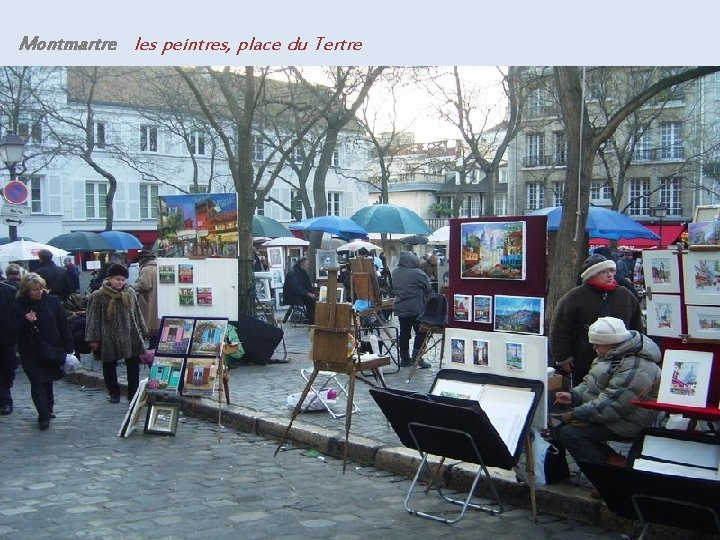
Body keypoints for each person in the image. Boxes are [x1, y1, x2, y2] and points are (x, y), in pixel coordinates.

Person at [554, 316, 661, 466]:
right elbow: (591, 383)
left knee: (570, 434)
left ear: (611, 342)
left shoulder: (636, 365)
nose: (594, 348)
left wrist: (577, 414)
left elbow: (614, 404)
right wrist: (574, 395)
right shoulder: (612, 354)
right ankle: (612, 461)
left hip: (631, 420)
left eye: (597, 344)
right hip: (614, 414)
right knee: (560, 430)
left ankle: (610, 471)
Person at [550, 253, 643, 385]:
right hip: (584, 363)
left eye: (611, 270)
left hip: (623, 363)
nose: (610, 274)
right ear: (591, 275)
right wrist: (563, 357)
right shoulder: (573, 297)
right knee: (583, 397)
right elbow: (559, 329)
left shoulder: (625, 295)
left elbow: (637, 327)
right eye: (603, 272)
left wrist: (638, 352)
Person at [11, 273, 73, 429]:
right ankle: (43, 415)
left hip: (51, 347)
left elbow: (63, 325)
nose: (38, 292)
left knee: (48, 379)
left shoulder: (52, 301)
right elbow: (11, 330)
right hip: (30, 350)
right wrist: (25, 321)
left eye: (40, 289)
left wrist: (69, 348)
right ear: (26, 290)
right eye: (34, 290)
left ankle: (49, 408)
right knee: (37, 380)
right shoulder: (18, 304)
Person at [85, 263, 147, 403]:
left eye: (123, 280)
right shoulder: (98, 296)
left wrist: (142, 329)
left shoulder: (129, 292)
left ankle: (133, 393)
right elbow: (93, 318)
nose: (120, 282)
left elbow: (136, 312)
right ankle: (114, 392)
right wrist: (93, 338)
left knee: (132, 365)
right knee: (109, 364)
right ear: (109, 279)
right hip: (108, 335)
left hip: (129, 333)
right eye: (117, 279)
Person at [391, 251, 432, 368]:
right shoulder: (418, 273)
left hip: (400, 307)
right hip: (416, 308)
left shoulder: (395, 272)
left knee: (404, 333)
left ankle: (404, 359)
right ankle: (417, 358)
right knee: (421, 332)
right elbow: (428, 288)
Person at [132, 249, 159, 342]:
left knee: (149, 325)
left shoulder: (146, 269)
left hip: (149, 299)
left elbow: (145, 285)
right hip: (157, 298)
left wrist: (134, 286)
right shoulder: (158, 266)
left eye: (139, 259)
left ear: (143, 259)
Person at [0, 281, 18, 415]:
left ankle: (7, 386)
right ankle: (5, 400)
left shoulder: (9, 291)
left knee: (8, 368)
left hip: (6, 336)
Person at [283, 257, 317, 324]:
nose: (308, 266)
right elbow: (295, 288)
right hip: (293, 296)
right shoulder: (293, 273)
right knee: (311, 302)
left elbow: (306, 285)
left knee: (314, 300)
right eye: (307, 264)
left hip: (300, 294)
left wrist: (312, 292)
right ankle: (312, 321)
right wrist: (308, 293)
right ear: (302, 264)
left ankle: (314, 320)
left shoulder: (303, 272)